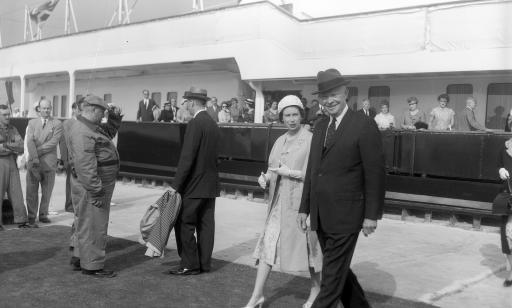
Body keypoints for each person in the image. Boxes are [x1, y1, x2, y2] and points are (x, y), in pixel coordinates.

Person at [298, 68, 385, 308]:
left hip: (347, 216)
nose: (329, 100)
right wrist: (304, 207)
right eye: (324, 96)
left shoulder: (364, 124)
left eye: (334, 94)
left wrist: (371, 215)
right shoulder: (320, 125)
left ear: (346, 93)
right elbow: (313, 171)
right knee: (340, 271)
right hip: (321, 214)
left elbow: (375, 174)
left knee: (331, 279)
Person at [243, 95, 322, 308]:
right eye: (287, 115)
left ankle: (316, 291)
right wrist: (265, 178)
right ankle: (257, 295)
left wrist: (292, 173)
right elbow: (272, 167)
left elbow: (315, 173)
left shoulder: (310, 138)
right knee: (268, 245)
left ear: (301, 115)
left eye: (295, 114)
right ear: (281, 117)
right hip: (278, 204)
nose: (291, 119)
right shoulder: (280, 140)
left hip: (300, 205)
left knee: (309, 250)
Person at [168, 86, 220, 276]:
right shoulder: (212, 123)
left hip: (194, 185)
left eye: (186, 102)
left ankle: (190, 264)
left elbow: (187, 158)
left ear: (191, 102)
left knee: (184, 222)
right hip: (210, 184)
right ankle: (204, 264)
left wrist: (176, 186)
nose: (185, 106)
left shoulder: (195, 123)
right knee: (206, 225)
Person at [67, 95, 120, 278]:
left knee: (86, 222)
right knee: (94, 225)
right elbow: (85, 166)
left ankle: (80, 257)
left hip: (93, 184)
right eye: (102, 112)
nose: (103, 116)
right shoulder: (83, 131)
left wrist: (115, 118)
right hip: (94, 186)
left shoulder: (90, 127)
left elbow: (108, 133)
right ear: (93, 110)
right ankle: (92, 266)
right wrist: (96, 191)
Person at [25, 99, 63, 224]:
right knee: (31, 191)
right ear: (39, 109)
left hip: (48, 162)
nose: (46, 110)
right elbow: (29, 141)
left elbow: (53, 142)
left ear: (51, 108)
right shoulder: (32, 123)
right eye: (44, 108)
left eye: (48, 108)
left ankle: (43, 214)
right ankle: (31, 216)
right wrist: (34, 156)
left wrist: (36, 151)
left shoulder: (57, 123)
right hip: (34, 162)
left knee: (47, 191)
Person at [0, 104, 32, 230]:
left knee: (16, 191)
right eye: (4, 114)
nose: (8, 116)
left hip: (12, 161)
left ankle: (22, 220)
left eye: (9, 114)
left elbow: (20, 146)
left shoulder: (12, 128)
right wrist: (11, 146)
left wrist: (5, 146)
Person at [497, 138, 512, 287]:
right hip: (507, 194)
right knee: (507, 235)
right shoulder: (504, 146)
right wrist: (500, 170)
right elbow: (498, 165)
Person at [59, 102, 80, 213]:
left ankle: (78, 204)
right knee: (71, 183)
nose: (81, 111)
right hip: (71, 159)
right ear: (73, 110)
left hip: (82, 158)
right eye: (79, 109)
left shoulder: (83, 123)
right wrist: (65, 159)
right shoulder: (67, 123)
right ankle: (69, 205)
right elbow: (63, 142)